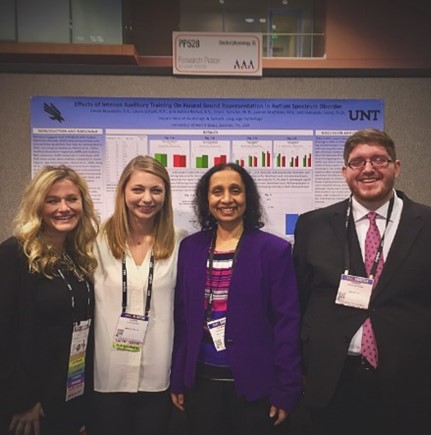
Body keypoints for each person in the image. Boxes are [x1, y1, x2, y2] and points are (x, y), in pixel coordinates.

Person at [292, 128, 431, 435]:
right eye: (358, 162)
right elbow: (300, 299)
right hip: (332, 380)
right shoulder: (313, 225)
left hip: (409, 381)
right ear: (345, 172)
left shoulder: (426, 224)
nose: (368, 169)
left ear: (396, 167)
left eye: (378, 159)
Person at [170, 162, 302, 435]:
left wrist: (286, 388)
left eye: (235, 191)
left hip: (255, 388)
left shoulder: (273, 251)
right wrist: (178, 378)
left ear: (247, 198)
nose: (227, 199)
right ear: (207, 199)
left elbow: (286, 324)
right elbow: (182, 320)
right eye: (217, 191)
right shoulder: (190, 248)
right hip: (201, 384)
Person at [90, 155, 188, 435]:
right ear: (123, 191)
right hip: (106, 375)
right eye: (138, 189)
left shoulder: (182, 241)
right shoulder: (94, 239)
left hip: (158, 376)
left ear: (165, 195)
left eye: (156, 190)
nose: (147, 198)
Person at [0, 165, 99, 435]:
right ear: (37, 205)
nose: (63, 208)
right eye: (52, 200)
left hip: (66, 395)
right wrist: (22, 401)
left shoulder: (76, 255)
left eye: (71, 199)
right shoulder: (15, 255)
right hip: (29, 407)